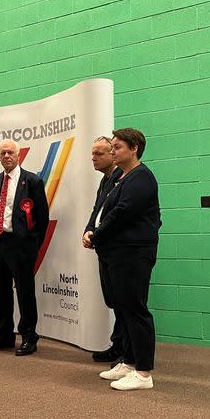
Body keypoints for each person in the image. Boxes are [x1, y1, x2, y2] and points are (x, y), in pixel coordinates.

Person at [84, 128, 161, 390]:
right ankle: (128, 361)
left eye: (117, 147)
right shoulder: (123, 178)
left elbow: (121, 214)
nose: (113, 151)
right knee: (123, 309)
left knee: (135, 310)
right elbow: (104, 211)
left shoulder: (142, 177)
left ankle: (143, 373)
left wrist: (96, 235)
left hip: (132, 254)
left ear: (134, 149)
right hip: (116, 253)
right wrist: (93, 232)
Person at [0, 139, 49, 356]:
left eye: (10, 152)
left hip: (21, 245)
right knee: (0, 291)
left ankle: (29, 337)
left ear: (18, 155)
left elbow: (42, 218)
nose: (6, 156)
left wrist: (32, 245)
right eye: (3, 153)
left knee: (25, 292)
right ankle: (4, 335)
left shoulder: (32, 180)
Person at [82, 136, 124, 364]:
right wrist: (88, 230)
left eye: (99, 153)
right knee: (113, 300)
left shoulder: (122, 179)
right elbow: (97, 211)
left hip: (118, 250)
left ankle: (124, 349)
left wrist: (96, 235)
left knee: (122, 302)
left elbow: (115, 216)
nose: (93, 158)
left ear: (112, 155)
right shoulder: (105, 181)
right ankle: (118, 345)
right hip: (105, 249)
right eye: (92, 153)